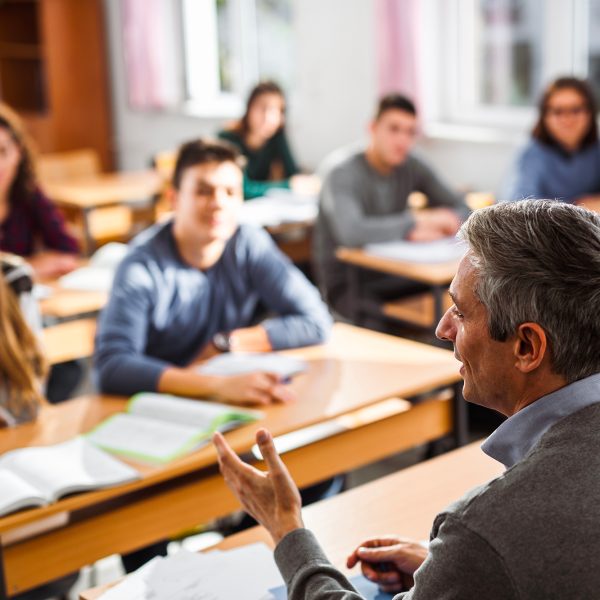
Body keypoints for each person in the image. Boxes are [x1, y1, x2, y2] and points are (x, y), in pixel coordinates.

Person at [214, 200, 600, 599]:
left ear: (526, 346)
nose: (441, 327)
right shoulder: (484, 547)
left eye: (461, 312)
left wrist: (286, 530)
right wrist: (453, 575)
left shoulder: (484, 529)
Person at [94, 138, 332, 404]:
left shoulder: (248, 243)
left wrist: (226, 343)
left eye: (230, 192)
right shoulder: (141, 267)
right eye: (204, 191)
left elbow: (316, 321)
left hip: (220, 402)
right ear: (174, 199)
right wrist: (216, 385)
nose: (219, 203)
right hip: (156, 406)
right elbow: (112, 366)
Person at [313, 93, 468, 318]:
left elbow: (463, 207)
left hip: (399, 272)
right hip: (349, 282)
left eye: (410, 132)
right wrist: (414, 223)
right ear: (373, 128)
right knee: (383, 322)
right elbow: (352, 232)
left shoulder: (411, 163)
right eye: (394, 129)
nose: (402, 140)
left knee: (456, 307)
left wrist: (447, 220)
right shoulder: (340, 173)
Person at [0, 102, 79, 279]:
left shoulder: (28, 193)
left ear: (18, 152)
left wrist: (20, 271)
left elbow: (67, 250)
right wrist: (30, 266)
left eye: (3, 151)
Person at [506, 76, 600, 204]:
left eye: (576, 110)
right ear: (544, 116)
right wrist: (579, 206)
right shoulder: (531, 154)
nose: (567, 120)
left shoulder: (596, 151)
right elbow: (517, 208)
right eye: (558, 111)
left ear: (590, 113)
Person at [218, 81, 319, 199]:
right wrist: (288, 185)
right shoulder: (227, 141)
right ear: (249, 108)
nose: (267, 117)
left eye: (275, 110)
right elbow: (242, 189)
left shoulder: (276, 137)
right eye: (262, 108)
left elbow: (292, 173)